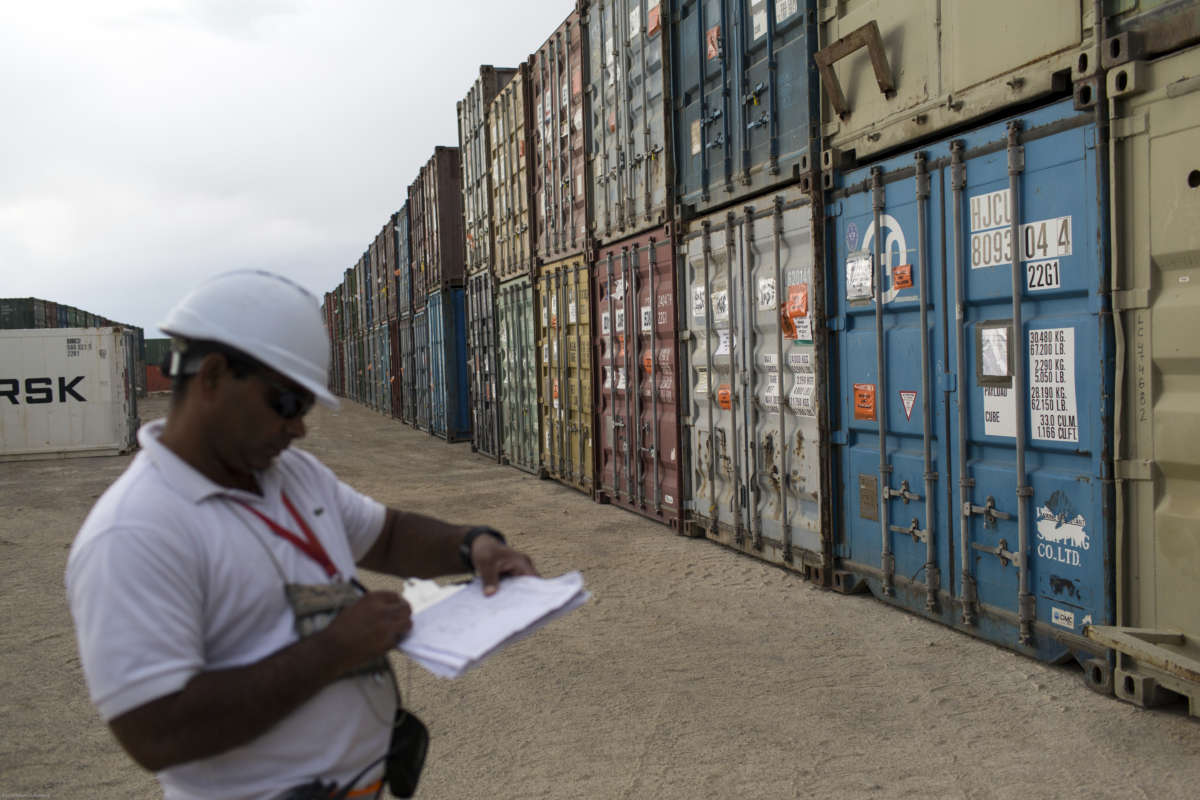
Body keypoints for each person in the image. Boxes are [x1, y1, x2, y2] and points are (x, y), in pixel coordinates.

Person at [65, 270, 537, 799]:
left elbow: (386, 535)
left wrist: (472, 544)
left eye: (305, 407)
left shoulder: (293, 476)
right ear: (214, 377)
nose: (299, 427)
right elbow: (156, 731)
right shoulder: (135, 532)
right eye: (287, 402)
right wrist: (335, 647)